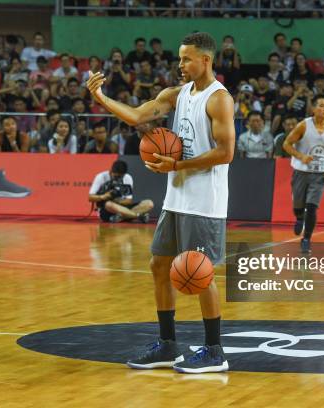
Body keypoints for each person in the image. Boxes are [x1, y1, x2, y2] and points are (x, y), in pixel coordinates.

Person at [87, 31, 234, 373]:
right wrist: (101, 97)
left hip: (204, 203)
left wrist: (177, 165)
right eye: (179, 58)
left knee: (200, 275)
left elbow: (226, 153)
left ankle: (215, 351)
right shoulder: (177, 94)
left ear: (206, 60)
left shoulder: (219, 99)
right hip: (176, 198)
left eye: (187, 59)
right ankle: (169, 345)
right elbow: (139, 116)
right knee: (159, 265)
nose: (180, 64)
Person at [283, 95, 324, 254]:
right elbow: (286, 144)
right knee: (299, 205)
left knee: (312, 207)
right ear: (314, 108)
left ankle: (306, 239)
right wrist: (301, 156)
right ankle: (299, 217)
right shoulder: (303, 126)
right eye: (321, 105)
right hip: (301, 172)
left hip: (320, 175)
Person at [88, 160, 153, 223]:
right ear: (111, 171)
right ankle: (137, 216)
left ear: (124, 174)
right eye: (116, 176)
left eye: (120, 176)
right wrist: (103, 197)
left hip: (123, 207)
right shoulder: (101, 177)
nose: (117, 178)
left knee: (149, 204)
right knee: (108, 204)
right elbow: (90, 197)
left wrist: (116, 200)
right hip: (107, 210)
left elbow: (128, 201)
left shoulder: (127, 178)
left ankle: (120, 217)